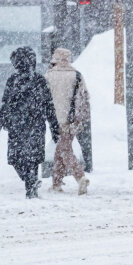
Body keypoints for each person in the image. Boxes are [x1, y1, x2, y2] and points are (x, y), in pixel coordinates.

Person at [0, 46, 60, 199]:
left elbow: (48, 104)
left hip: (28, 124)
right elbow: (6, 103)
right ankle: (30, 180)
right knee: (24, 158)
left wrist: (54, 126)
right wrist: (0, 121)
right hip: (24, 124)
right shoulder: (18, 80)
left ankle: (30, 187)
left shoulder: (36, 80)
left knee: (28, 157)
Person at [44, 48, 90, 195]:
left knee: (64, 149)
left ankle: (80, 176)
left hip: (55, 119)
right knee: (62, 148)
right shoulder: (77, 75)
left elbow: (44, 99)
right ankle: (56, 183)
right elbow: (85, 96)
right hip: (72, 119)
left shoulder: (48, 76)